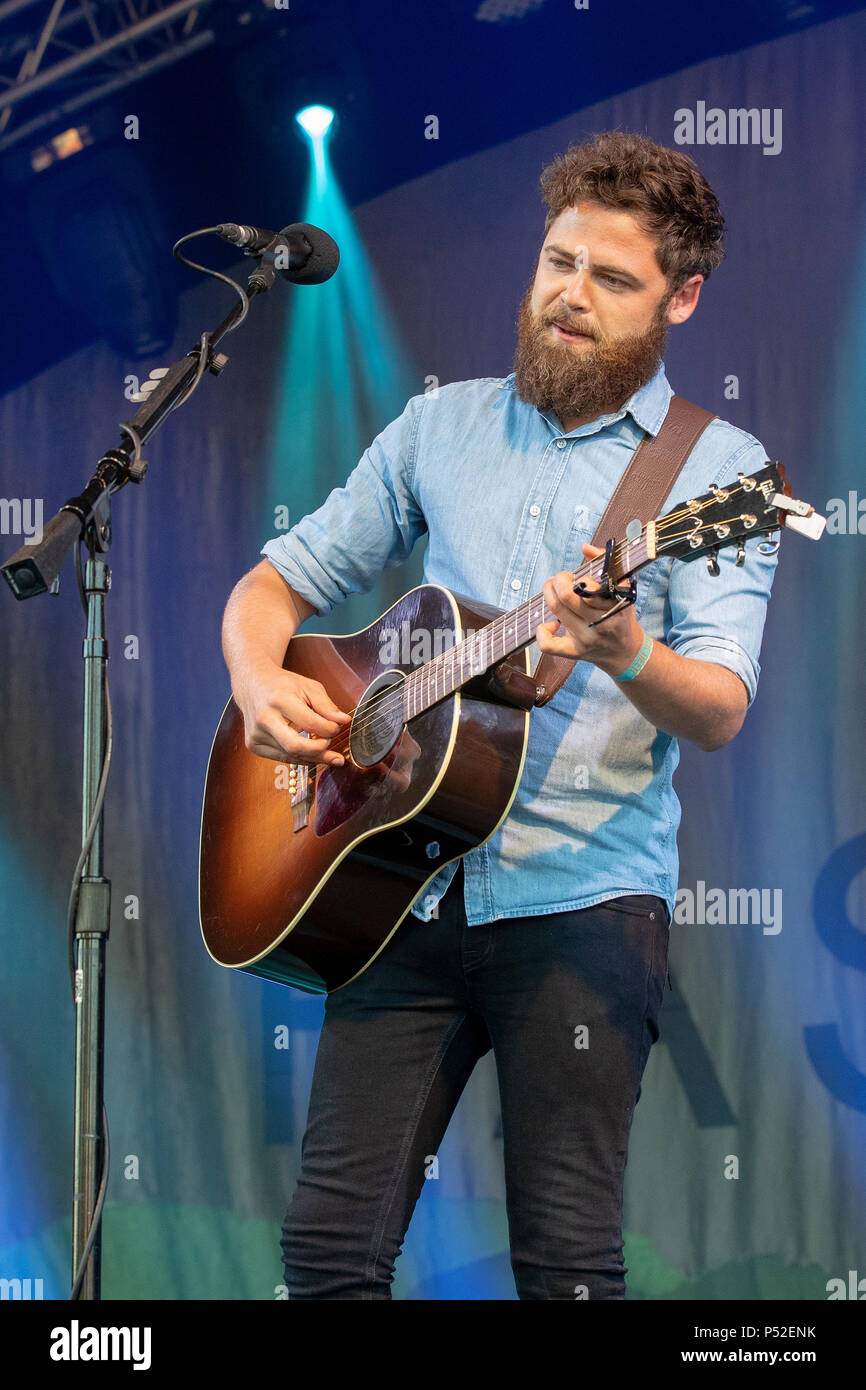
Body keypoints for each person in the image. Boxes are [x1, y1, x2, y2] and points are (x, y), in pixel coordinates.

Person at [221, 130, 778, 1299]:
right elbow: (275, 585)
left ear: (679, 298)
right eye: (556, 262)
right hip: (396, 892)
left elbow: (719, 705)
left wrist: (626, 649)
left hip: (580, 905)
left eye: (611, 279)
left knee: (564, 1265)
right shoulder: (441, 425)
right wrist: (257, 679)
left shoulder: (717, 469)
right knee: (326, 1252)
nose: (569, 296)